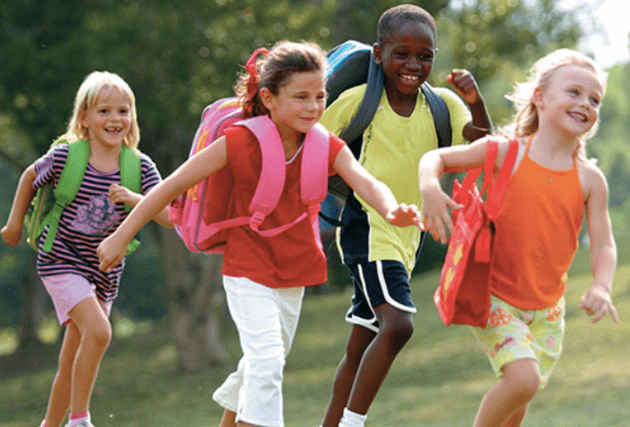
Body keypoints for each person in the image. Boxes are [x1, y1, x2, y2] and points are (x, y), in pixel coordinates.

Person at [95, 41, 423, 427]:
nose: (313, 107)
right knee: (267, 365)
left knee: (260, 364)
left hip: (296, 270)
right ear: (269, 98)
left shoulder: (325, 146)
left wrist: (391, 208)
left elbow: (367, 183)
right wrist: (120, 235)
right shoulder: (239, 141)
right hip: (248, 269)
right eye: (300, 97)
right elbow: (168, 188)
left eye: (320, 96)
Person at [418, 48, 619, 427]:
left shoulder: (591, 179)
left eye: (594, 99)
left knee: (520, 399)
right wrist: (430, 188)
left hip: (548, 309)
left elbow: (604, 243)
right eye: (574, 92)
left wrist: (602, 286)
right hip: (495, 297)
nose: (586, 104)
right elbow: (437, 159)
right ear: (539, 98)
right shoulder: (504, 152)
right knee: (523, 380)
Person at [319, 4, 492, 427]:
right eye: (402, 53)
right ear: (379, 54)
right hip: (367, 227)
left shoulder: (443, 106)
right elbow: (312, 145)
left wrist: (475, 100)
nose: (413, 64)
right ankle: (352, 424)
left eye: (425, 55)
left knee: (359, 348)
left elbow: (480, 145)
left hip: (405, 240)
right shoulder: (359, 102)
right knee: (398, 327)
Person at [0, 71, 173, 427]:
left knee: (72, 357)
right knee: (99, 332)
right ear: (84, 119)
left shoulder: (140, 167)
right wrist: (14, 223)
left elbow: (171, 217)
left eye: (123, 111)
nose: (114, 119)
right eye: (104, 111)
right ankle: (79, 420)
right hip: (61, 258)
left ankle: (50, 424)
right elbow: (30, 177)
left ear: (132, 118)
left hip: (105, 269)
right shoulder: (67, 157)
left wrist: (137, 199)